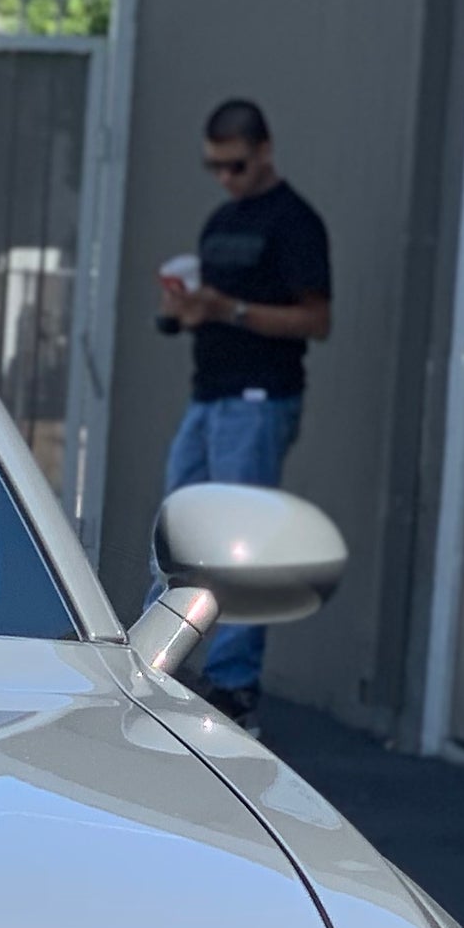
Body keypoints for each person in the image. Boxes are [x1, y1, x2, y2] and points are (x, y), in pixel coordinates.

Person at [152, 97, 331, 720]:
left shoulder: (294, 222)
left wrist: (229, 310)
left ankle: (233, 686)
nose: (225, 179)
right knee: (179, 535)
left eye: (235, 166)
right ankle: (163, 664)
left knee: (237, 545)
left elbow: (317, 319)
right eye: (214, 168)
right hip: (209, 394)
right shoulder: (220, 221)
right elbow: (210, 307)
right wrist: (185, 312)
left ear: (264, 151)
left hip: (259, 399)